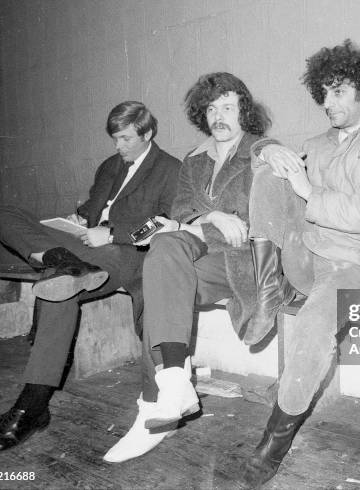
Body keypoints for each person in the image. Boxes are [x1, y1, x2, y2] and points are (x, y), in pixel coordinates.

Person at [243, 39, 360, 486]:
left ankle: (276, 437)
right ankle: (266, 288)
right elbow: (274, 174)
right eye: (324, 93)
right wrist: (266, 152)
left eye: (338, 92)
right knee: (267, 167)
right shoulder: (317, 143)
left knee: (313, 327)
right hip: (308, 253)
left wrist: (308, 192)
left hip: (358, 263)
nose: (327, 102)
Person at [0, 101, 180, 458]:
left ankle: (31, 407)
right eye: (115, 139)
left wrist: (112, 232)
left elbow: (164, 223)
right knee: (3, 214)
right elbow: (92, 209)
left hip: (123, 253)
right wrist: (79, 217)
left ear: (148, 133)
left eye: (126, 139)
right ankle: (61, 261)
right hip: (83, 247)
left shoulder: (169, 168)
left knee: (58, 289)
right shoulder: (108, 167)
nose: (119, 146)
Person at [103, 72, 273, 463]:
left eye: (228, 107)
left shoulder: (261, 154)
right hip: (195, 254)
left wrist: (200, 224)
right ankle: (172, 386)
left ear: (244, 112)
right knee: (161, 261)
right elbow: (180, 211)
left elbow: (248, 226)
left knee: (160, 267)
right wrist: (211, 215)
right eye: (211, 108)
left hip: (240, 262)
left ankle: (155, 401)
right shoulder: (195, 161)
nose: (219, 116)